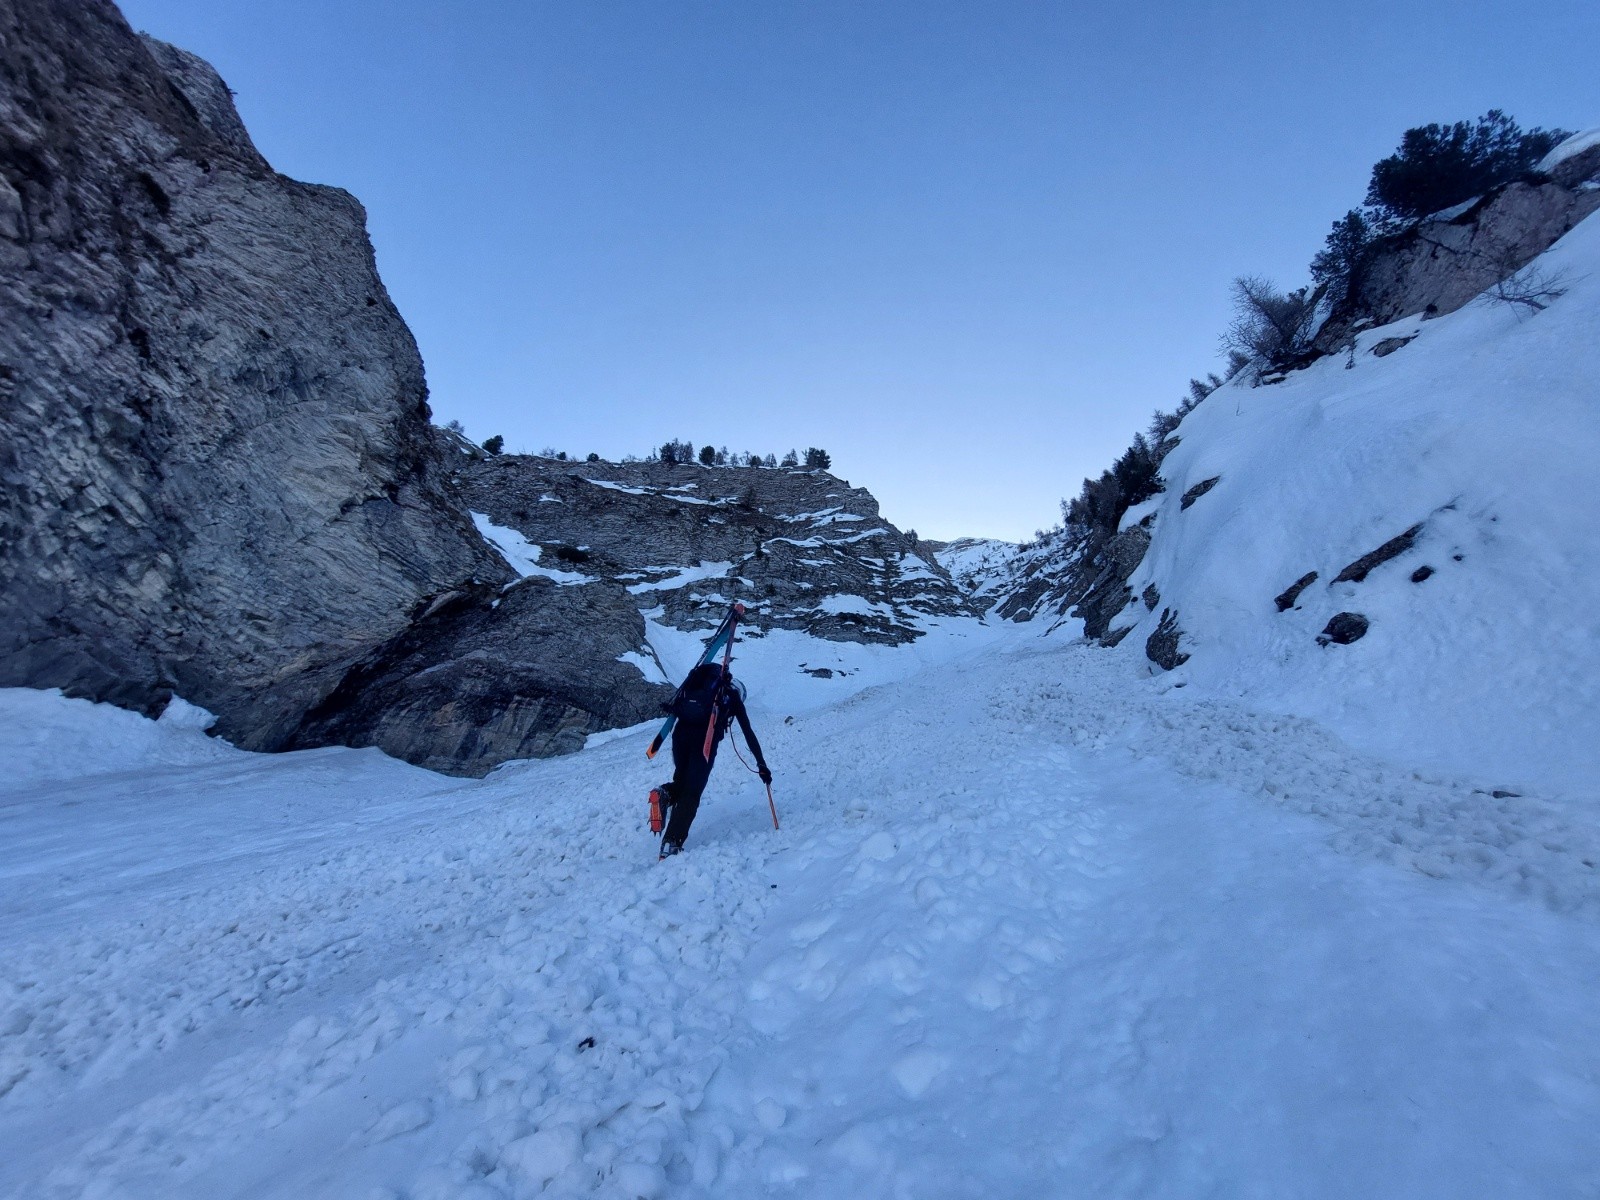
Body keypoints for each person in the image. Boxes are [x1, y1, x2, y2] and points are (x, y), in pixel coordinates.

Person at [653, 662, 771, 859]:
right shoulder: (731, 696)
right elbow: (748, 732)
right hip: (704, 742)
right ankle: (672, 843)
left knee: (682, 783)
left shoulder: (699, 685)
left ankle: (665, 793)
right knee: (692, 792)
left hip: (680, 735)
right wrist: (761, 764)